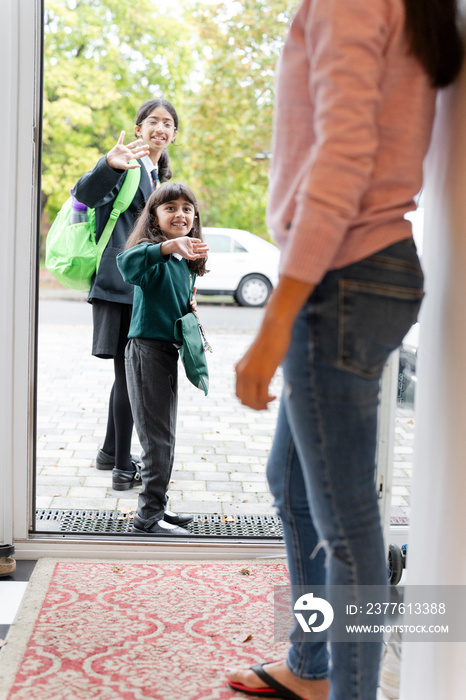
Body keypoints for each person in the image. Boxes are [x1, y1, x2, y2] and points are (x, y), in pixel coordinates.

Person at [228, 1, 464, 699]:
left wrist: (274, 325)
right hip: (365, 271)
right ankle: (312, 664)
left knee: (347, 522)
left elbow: (344, 156)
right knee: (294, 483)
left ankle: (347, 690)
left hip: (342, 276)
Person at [72, 98, 179, 492]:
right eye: (153, 121)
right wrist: (107, 164)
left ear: (174, 134)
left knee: (126, 374)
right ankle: (121, 468)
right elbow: (84, 193)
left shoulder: (158, 172)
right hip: (119, 287)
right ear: (139, 128)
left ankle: (108, 453)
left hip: (136, 286)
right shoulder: (127, 164)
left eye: (167, 123)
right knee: (129, 375)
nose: (160, 128)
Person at [116, 182, 209, 536]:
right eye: (170, 207)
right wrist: (168, 246)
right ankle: (147, 519)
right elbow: (126, 265)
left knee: (164, 438)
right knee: (157, 441)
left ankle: (159, 507)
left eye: (187, 208)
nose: (180, 214)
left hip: (167, 354)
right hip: (146, 354)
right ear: (154, 217)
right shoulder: (151, 253)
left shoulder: (182, 262)